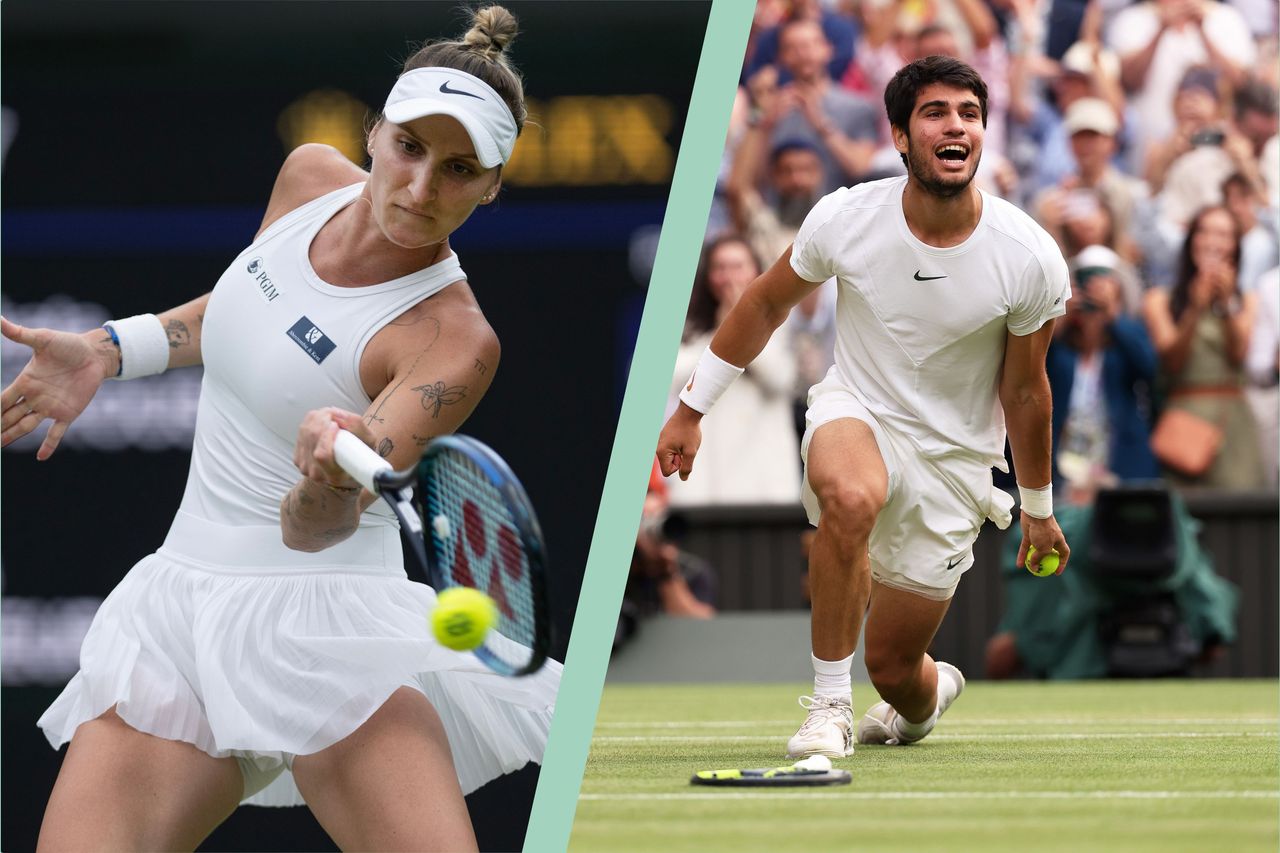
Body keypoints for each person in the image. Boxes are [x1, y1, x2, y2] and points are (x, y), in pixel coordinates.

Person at [0, 8, 559, 850]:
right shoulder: (307, 177)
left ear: (490, 187)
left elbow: (320, 527)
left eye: (457, 169)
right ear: (373, 132)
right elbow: (242, 313)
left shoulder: (454, 340)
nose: (419, 186)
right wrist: (114, 349)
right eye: (409, 147)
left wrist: (326, 478)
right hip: (183, 609)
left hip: (332, 633)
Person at [657, 56, 1071, 759]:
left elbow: (1026, 389)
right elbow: (762, 303)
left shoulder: (1029, 256)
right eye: (936, 112)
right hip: (860, 411)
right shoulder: (846, 216)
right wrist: (693, 408)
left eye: (969, 115)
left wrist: (1038, 506)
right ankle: (828, 706)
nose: (956, 126)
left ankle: (926, 695)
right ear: (901, 136)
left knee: (897, 672)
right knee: (848, 499)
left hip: (956, 462)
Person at [667, 236, 800, 506]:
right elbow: (674, 380)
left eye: (738, 266)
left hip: (765, 475)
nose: (729, 277)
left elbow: (781, 378)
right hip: (706, 476)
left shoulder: (782, 319)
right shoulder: (689, 325)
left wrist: (741, 328)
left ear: (757, 271)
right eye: (720, 268)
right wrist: (722, 330)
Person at [1142, 205, 1263, 489]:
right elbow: (1171, 359)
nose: (1212, 241)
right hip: (1184, 416)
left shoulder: (1247, 301)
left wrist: (1224, 305)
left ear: (1235, 246)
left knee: (1240, 514)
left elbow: (1239, 353)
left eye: (1223, 234)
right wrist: (1195, 308)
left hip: (1233, 423)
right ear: (1191, 240)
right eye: (1204, 232)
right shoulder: (1159, 299)